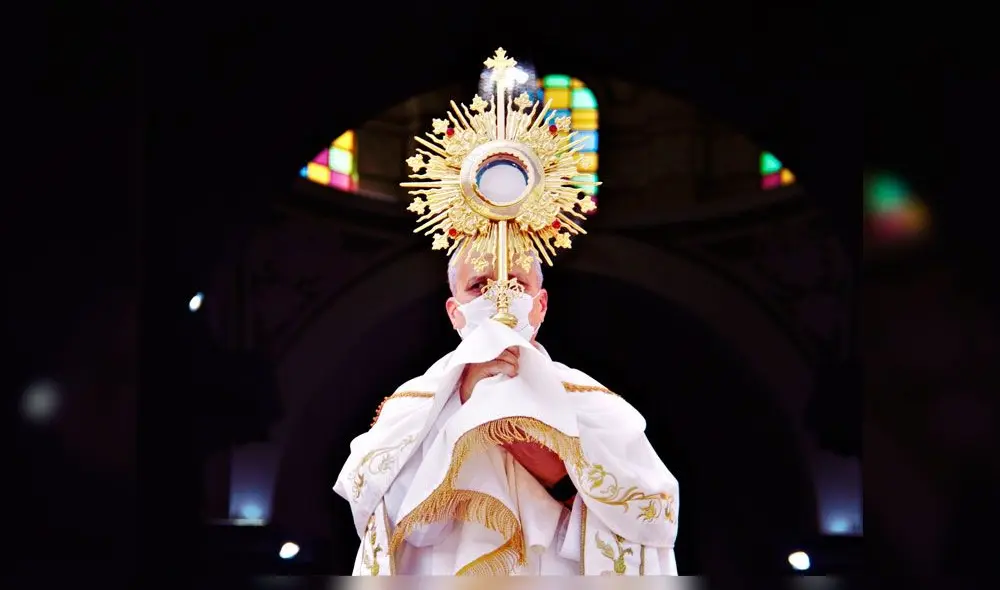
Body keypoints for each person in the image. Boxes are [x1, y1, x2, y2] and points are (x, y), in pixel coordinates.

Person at [333, 251, 680, 575]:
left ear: (540, 305)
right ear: (454, 312)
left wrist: (558, 476)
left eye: (516, 283)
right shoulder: (411, 407)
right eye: (479, 285)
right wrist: (460, 408)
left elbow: (648, 519)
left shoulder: (595, 404)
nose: (499, 298)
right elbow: (409, 532)